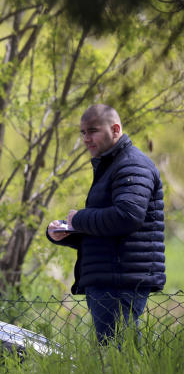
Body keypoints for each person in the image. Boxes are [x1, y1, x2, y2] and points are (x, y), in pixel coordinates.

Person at [47, 104, 165, 345]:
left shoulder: (132, 165)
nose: (86, 139)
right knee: (115, 353)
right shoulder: (111, 164)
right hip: (111, 277)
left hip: (120, 280)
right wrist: (66, 232)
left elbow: (127, 216)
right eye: (82, 133)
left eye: (93, 131)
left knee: (117, 353)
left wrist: (78, 219)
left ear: (115, 129)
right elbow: (110, 227)